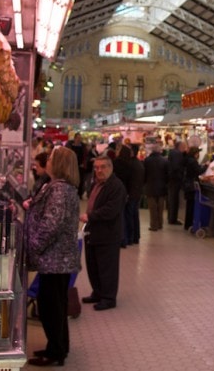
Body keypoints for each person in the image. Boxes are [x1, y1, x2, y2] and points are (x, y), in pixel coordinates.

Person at [25, 146, 81, 367]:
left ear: (58, 163)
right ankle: (58, 347)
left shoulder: (59, 190)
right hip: (58, 259)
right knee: (56, 305)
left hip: (55, 260)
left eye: (50, 158)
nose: (47, 160)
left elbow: (51, 224)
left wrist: (34, 246)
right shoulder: (62, 188)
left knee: (50, 307)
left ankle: (55, 351)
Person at [80, 155, 126, 310]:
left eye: (102, 167)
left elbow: (110, 210)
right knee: (93, 265)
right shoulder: (97, 184)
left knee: (107, 268)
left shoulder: (116, 186)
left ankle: (108, 298)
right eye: (96, 168)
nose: (99, 170)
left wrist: (90, 216)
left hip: (108, 234)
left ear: (110, 168)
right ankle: (98, 292)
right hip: (94, 232)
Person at [113, 145, 144, 247]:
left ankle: (125, 239)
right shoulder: (134, 164)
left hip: (125, 194)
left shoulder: (118, 163)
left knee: (124, 216)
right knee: (132, 215)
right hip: (134, 193)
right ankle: (133, 237)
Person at [143, 144, 169, 232]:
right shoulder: (165, 161)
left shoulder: (147, 160)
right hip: (162, 187)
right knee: (160, 207)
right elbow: (167, 174)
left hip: (150, 187)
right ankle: (160, 224)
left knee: (152, 208)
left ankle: (154, 225)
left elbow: (144, 174)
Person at [182, 146, 208, 231]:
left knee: (189, 205)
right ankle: (190, 224)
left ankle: (187, 224)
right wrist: (206, 167)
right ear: (195, 153)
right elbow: (198, 171)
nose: (199, 154)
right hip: (191, 186)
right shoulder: (193, 161)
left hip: (187, 185)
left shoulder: (187, 160)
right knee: (191, 205)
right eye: (198, 153)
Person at [166, 140, 186, 225]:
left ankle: (170, 217)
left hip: (171, 180)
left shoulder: (172, 153)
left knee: (171, 199)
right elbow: (176, 167)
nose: (185, 149)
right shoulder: (178, 154)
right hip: (175, 180)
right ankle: (172, 219)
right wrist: (180, 177)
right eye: (184, 147)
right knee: (174, 200)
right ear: (180, 147)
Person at [65, 132, 86, 198]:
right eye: (78, 138)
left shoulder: (83, 146)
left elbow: (85, 156)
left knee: (80, 180)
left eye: (80, 138)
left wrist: (84, 163)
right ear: (75, 138)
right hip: (71, 166)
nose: (79, 139)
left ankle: (79, 194)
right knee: (71, 179)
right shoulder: (70, 145)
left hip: (80, 166)